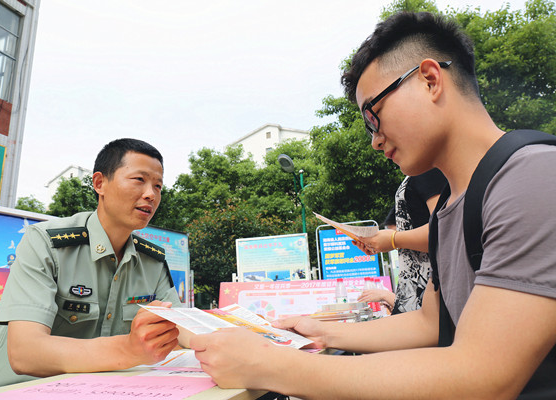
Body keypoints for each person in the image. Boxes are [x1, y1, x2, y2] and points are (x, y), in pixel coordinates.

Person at [190, 12, 556, 398]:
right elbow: (430, 323)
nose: (375, 141)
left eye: (373, 117)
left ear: (430, 80)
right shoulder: (453, 203)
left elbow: (484, 376)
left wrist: (269, 365)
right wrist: (323, 331)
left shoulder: (532, 176)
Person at [0, 138, 186, 392]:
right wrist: (129, 349)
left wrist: (228, 334)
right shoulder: (46, 243)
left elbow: (182, 325)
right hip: (14, 390)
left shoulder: (152, 261)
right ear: (100, 183)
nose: (151, 194)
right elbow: (26, 353)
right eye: (139, 180)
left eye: (158, 186)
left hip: (95, 389)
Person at [357, 168, 447, 314]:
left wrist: (394, 240)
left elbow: (445, 231)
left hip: (431, 306)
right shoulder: (415, 177)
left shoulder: (429, 172)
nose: (377, 144)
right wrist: (383, 242)